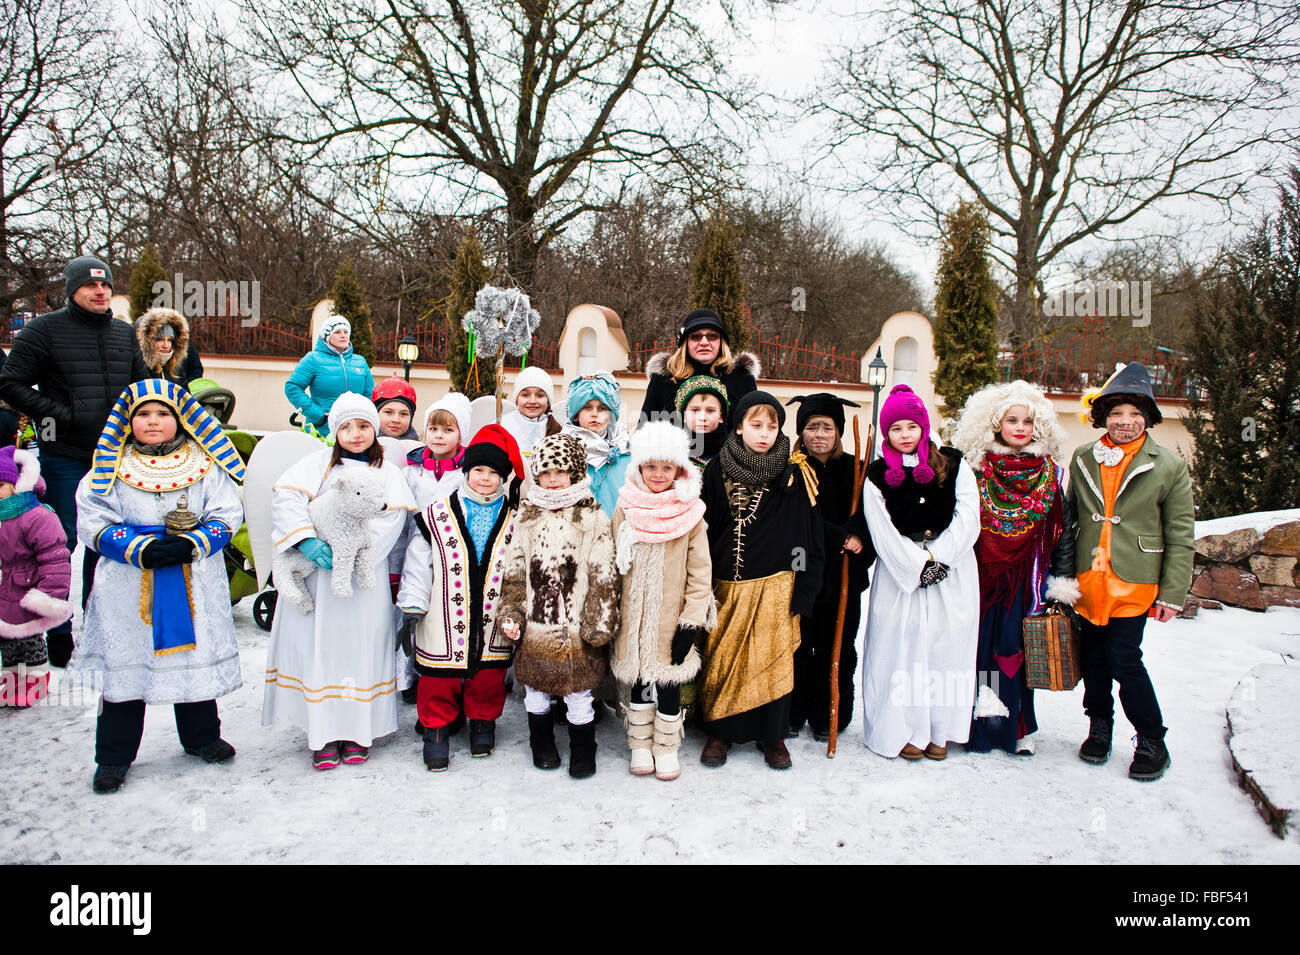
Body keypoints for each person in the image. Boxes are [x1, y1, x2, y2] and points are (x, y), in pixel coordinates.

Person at [64, 379, 246, 793]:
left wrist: (193, 543)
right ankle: (113, 756)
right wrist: (137, 548)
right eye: (143, 414)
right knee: (127, 664)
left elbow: (226, 512)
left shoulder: (204, 464)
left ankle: (202, 736)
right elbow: (93, 518)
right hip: (129, 584)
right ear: (127, 421)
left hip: (192, 575)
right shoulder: (109, 466)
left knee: (191, 657)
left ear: (180, 419)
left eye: (163, 413)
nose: (152, 421)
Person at [0, 256, 149, 666]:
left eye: (105, 285)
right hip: (64, 454)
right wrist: (58, 414)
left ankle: (98, 626)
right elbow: (10, 382)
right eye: (90, 285)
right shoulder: (44, 330)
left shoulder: (125, 334)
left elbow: (141, 388)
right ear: (72, 290)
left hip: (114, 456)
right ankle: (59, 631)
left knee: (106, 541)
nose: (100, 291)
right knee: (60, 543)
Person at [262, 392, 417, 769]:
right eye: (347, 427)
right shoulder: (314, 465)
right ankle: (323, 733)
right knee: (321, 651)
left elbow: (390, 519)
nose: (356, 433)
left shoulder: (387, 472)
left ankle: (358, 732)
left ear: (374, 430)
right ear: (335, 431)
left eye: (364, 426)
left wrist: (352, 555)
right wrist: (307, 541)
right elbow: (287, 501)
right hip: (317, 578)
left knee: (359, 650)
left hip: (362, 582)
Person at [1069, 363, 1193, 781]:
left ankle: (1152, 738)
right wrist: (1062, 579)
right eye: (1117, 412)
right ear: (1103, 416)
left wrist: (1172, 594)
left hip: (1134, 582)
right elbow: (1070, 519)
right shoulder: (1083, 457)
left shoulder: (1169, 465)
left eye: (1135, 413)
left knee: (1125, 658)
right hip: (1089, 579)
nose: (1125, 421)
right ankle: (1099, 725)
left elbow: (1181, 534)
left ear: (1149, 417)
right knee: (1093, 659)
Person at [950, 380, 1079, 755]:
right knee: (980, 652)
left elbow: (1063, 531)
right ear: (995, 425)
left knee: (1015, 651)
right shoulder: (974, 469)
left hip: (1026, 580)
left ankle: (1018, 727)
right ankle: (979, 726)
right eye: (1012, 420)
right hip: (980, 578)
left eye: (1028, 421)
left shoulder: (1051, 474)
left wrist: (1061, 582)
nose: (1021, 427)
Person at [698, 391, 824, 770]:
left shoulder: (794, 472)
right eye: (756, 425)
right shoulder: (716, 470)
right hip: (726, 586)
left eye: (772, 426)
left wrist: (801, 585)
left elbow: (806, 536)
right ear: (738, 426)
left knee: (773, 663)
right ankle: (719, 734)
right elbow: (705, 530)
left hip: (777, 586)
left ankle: (773, 738)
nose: (765, 433)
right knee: (722, 661)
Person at [858, 384, 980, 761]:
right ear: (887, 433)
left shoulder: (953, 464)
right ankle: (905, 729)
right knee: (902, 649)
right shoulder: (878, 475)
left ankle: (940, 730)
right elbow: (881, 528)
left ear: (924, 427)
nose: (905, 434)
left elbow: (968, 515)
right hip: (902, 573)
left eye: (912, 426)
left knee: (945, 648)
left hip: (951, 569)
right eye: (896, 428)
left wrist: (940, 559)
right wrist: (916, 565)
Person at [398, 425, 524, 770]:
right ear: (466, 471)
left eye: (494, 473)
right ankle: (436, 729)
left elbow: (520, 571)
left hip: (493, 614)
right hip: (442, 613)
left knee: (488, 676)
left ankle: (483, 722)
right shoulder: (436, 515)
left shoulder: (516, 521)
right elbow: (418, 563)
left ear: (503, 478)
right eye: (478, 470)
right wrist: (413, 604)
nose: (485, 478)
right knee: (438, 678)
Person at [498, 433, 619, 779]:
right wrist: (512, 612)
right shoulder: (527, 515)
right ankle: (542, 742)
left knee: (579, 694)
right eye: (546, 473)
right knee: (536, 692)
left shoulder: (591, 514)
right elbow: (515, 569)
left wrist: (600, 618)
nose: (553, 480)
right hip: (537, 625)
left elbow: (603, 571)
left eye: (561, 472)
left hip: (576, 626)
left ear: (575, 472)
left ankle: (584, 747)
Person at [610, 421, 713, 781]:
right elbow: (611, 558)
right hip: (632, 614)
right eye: (650, 466)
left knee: (669, 682)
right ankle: (639, 743)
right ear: (638, 467)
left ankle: (666, 746)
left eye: (666, 467)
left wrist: (691, 621)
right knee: (638, 679)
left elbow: (700, 573)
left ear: (679, 470)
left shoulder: (691, 513)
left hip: (671, 617)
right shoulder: (625, 507)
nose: (658, 474)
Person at [785, 393, 875, 742]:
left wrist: (860, 535)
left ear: (838, 431)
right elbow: (796, 522)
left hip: (842, 575)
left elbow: (874, 516)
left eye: (827, 427)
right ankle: (793, 711)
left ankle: (830, 715)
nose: (819, 434)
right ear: (801, 432)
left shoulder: (858, 470)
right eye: (811, 427)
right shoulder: (792, 470)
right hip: (800, 570)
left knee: (837, 646)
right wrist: (840, 535)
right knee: (797, 645)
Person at [0, 446, 72, 708]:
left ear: (17, 484)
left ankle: (35, 682)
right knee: (7, 642)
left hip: (28, 589)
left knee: (29, 640)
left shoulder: (37, 516)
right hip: (5, 590)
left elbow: (55, 558)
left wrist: (48, 597)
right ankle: (11, 683)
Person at [641, 309, 759, 424]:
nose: (704, 342)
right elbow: (644, 429)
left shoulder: (742, 380)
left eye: (712, 336)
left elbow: (753, 429)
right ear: (685, 343)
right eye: (696, 336)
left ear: (721, 342)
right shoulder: (663, 380)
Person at [283, 316, 375, 437]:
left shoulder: (360, 361)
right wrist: (318, 415)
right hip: (322, 429)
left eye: (346, 331)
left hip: (354, 429)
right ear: (326, 336)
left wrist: (365, 416)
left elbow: (369, 394)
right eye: (337, 332)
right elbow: (293, 387)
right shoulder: (313, 359)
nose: (343, 335)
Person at [561, 372, 629, 518]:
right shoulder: (561, 451)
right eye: (587, 407)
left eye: (602, 408)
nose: (594, 414)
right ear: (576, 415)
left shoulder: (625, 451)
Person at [499, 365, 561, 460]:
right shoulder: (502, 425)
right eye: (525, 395)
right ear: (517, 400)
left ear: (548, 401)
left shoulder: (558, 431)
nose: (532, 401)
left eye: (540, 395)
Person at [135, 307, 203, 387]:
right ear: (146, 342)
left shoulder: (176, 370)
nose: (166, 345)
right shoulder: (139, 371)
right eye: (159, 339)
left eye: (169, 340)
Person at [675, 375, 729, 472]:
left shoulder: (732, 453)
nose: (702, 418)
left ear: (720, 416)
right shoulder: (672, 454)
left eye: (710, 410)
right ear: (684, 416)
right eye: (695, 410)